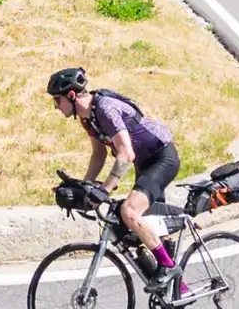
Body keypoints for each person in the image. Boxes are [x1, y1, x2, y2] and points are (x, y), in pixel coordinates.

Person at [46, 66, 181, 285]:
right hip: (144, 163)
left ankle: (168, 267)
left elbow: (126, 154)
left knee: (129, 211)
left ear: (71, 96)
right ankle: (177, 292)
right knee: (140, 224)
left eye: (57, 101)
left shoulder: (105, 109)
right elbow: (98, 154)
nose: (56, 107)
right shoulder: (87, 118)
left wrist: (105, 189)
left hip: (161, 158)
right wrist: (84, 187)